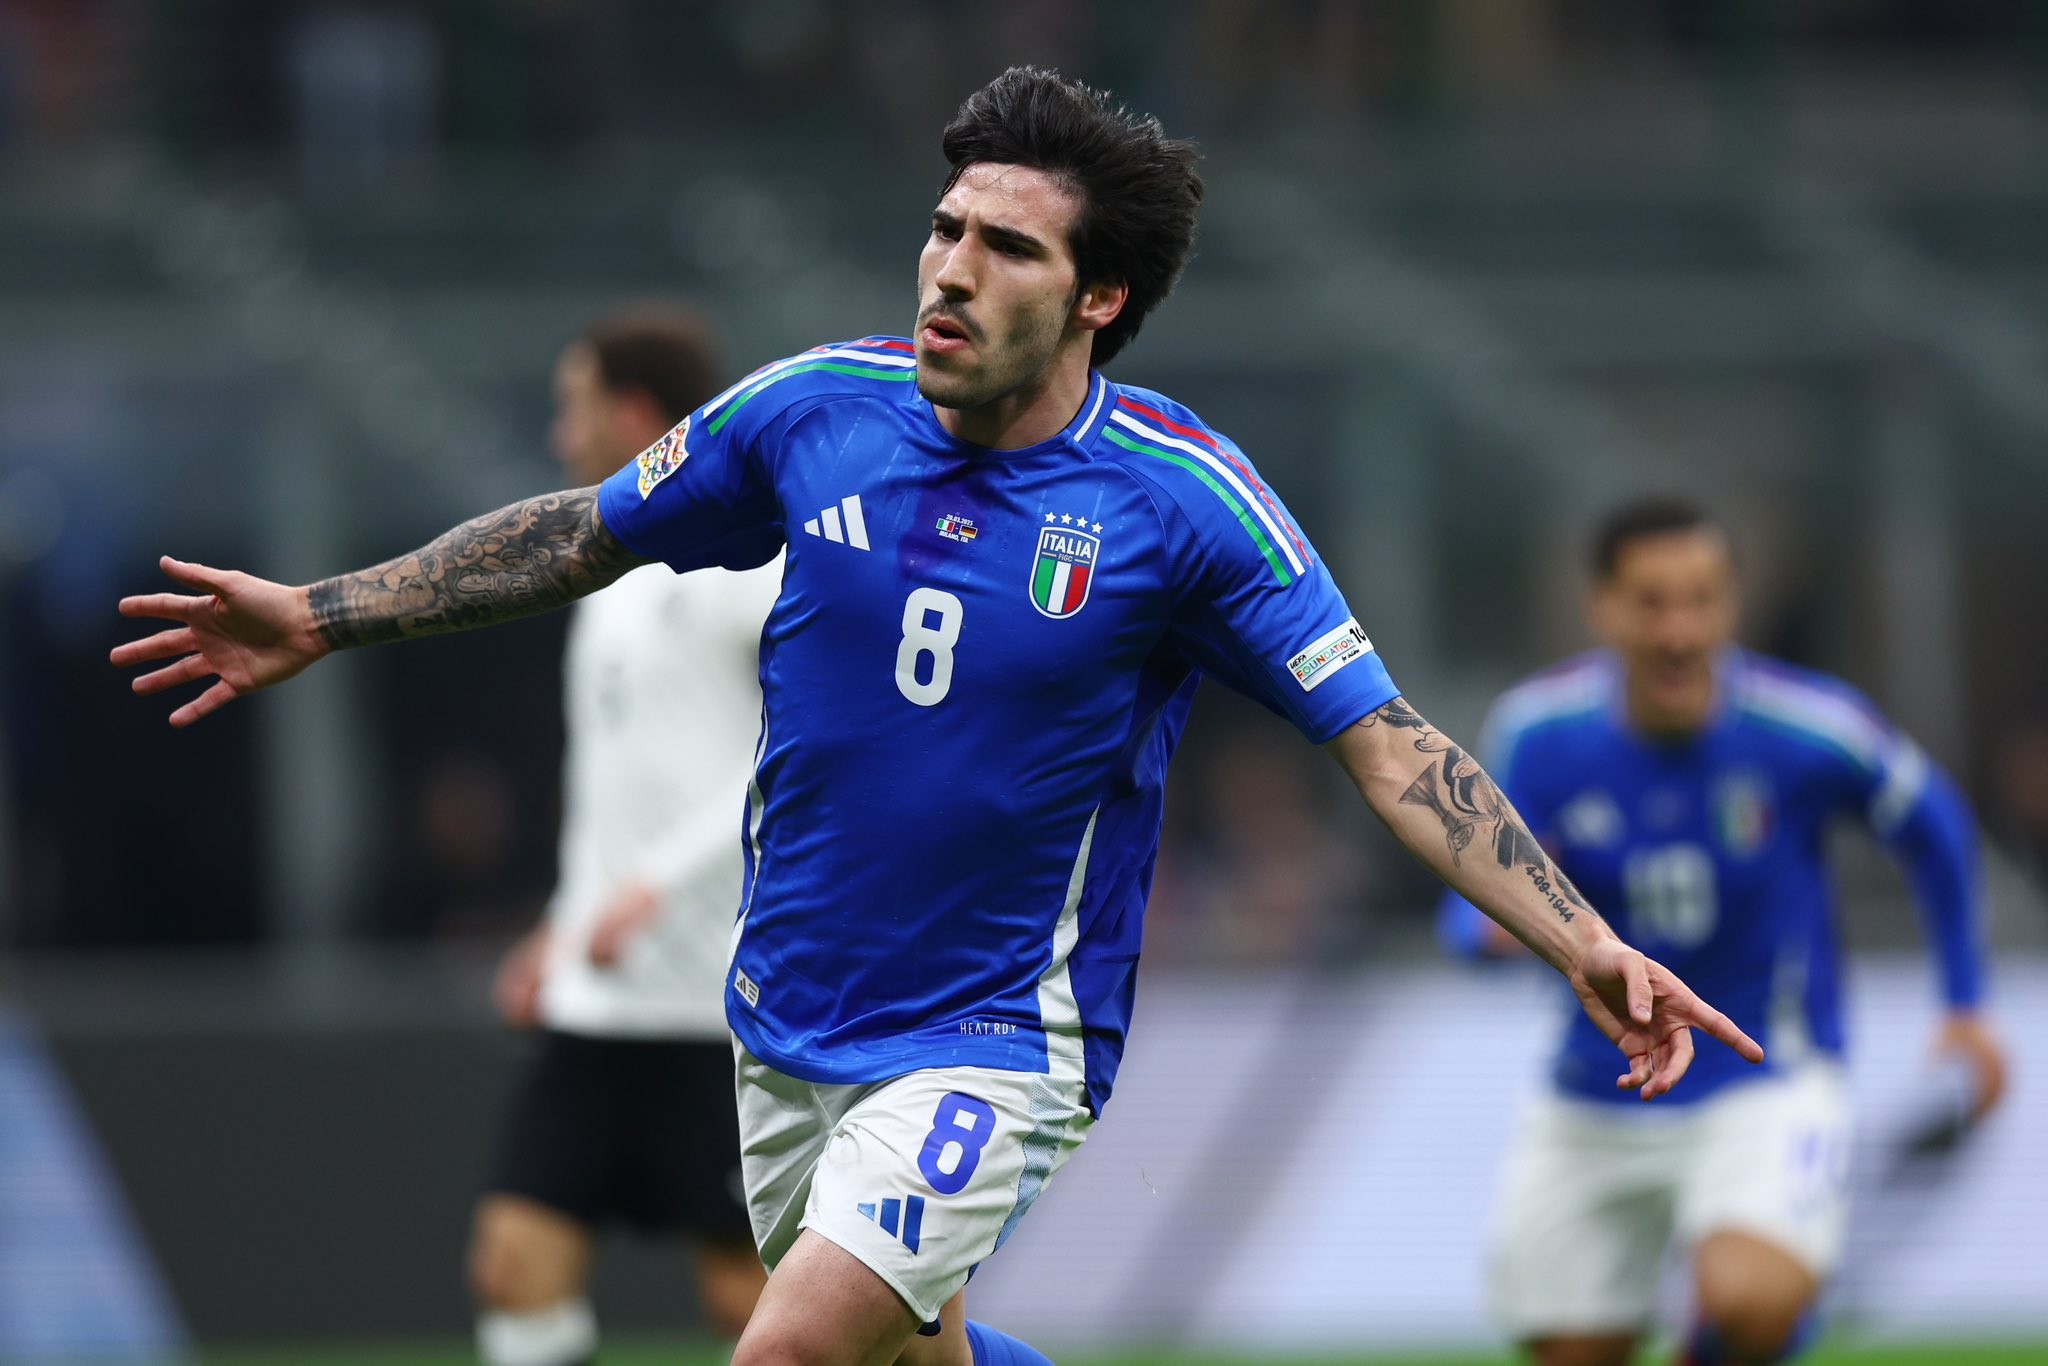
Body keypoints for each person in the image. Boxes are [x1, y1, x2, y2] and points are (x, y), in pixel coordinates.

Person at [113, 67, 1760, 1366]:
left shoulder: (1183, 502)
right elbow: (583, 532)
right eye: (946, 227)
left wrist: (1578, 938)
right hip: (785, 1021)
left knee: (785, 1351)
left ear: (1098, 296)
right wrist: (321, 614)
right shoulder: (809, 412)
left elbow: (1391, 748)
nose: (953, 271)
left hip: (996, 1035)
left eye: (1009, 248)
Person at [1438, 496, 2007, 1366]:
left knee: (1754, 1298)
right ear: (1601, 607)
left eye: (1701, 600)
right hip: (1599, 1089)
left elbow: (1935, 826)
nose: (1679, 630)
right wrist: (1490, 936)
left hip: (1763, 1075)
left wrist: (1966, 1002)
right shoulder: (1538, 734)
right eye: (1651, 602)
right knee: (1573, 1351)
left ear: (1731, 604)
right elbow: (1467, 905)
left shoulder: (1808, 729)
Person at [470, 308, 778, 1365]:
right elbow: (618, 791)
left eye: (575, 406)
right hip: (596, 1001)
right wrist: (559, 931)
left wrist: (659, 881)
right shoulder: (604, 575)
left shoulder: (749, 560)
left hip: (714, 1003)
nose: (561, 435)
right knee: (513, 1265)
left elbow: (794, 754)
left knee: (753, 1304)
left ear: (635, 413)